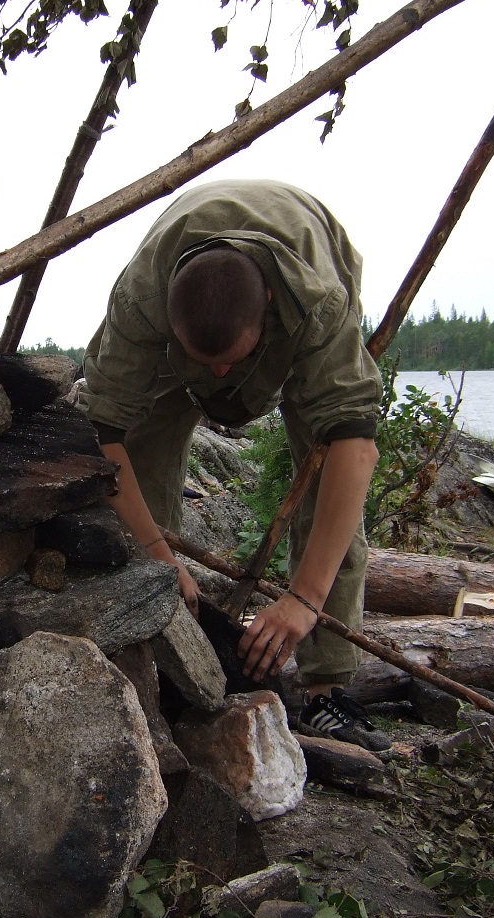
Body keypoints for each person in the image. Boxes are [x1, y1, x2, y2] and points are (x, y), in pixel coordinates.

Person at [74, 178, 390, 751]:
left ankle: (327, 686)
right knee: (140, 458)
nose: (219, 377)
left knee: (325, 480)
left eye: (230, 362)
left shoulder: (318, 304)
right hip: (174, 327)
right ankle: (163, 641)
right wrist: (159, 559)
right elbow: (102, 437)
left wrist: (304, 598)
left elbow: (355, 449)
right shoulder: (140, 301)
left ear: (266, 304)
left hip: (306, 287)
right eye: (205, 362)